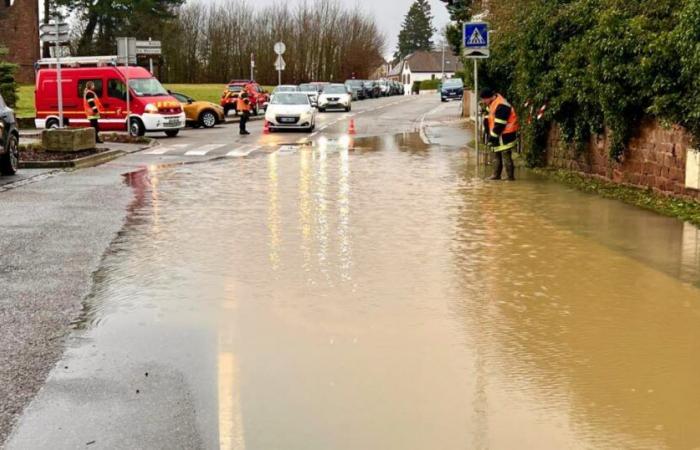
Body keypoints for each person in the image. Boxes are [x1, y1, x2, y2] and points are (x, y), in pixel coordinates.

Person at [480, 88, 520, 181]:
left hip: (506, 135)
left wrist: (492, 137)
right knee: (495, 153)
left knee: (506, 155)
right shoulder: (492, 103)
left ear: (489, 97)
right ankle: (496, 175)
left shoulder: (502, 105)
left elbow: (500, 124)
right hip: (498, 134)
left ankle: (510, 177)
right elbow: (490, 118)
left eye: (483, 99)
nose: (483, 101)